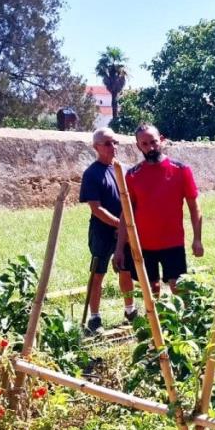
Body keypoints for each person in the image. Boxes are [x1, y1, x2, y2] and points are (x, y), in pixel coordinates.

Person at [114, 124, 203, 296]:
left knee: (178, 288)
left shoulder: (181, 170)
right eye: (145, 144)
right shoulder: (132, 175)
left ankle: (182, 322)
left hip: (173, 241)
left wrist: (197, 239)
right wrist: (119, 249)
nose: (150, 147)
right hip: (144, 244)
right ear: (138, 146)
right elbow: (126, 212)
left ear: (161, 140)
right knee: (151, 290)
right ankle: (157, 323)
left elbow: (194, 207)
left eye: (154, 142)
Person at [79, 128, 137, 334]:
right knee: (98, 273)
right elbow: (96, 208)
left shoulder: (122, 169)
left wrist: (126, 227)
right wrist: (120, 225)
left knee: (126, 269)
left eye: (114, 142)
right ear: (96, 147)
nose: (112, 147)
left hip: (122, 230)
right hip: (102, 232)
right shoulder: (91, 174)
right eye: (107, 143)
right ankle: (94, 318)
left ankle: (130, 310)